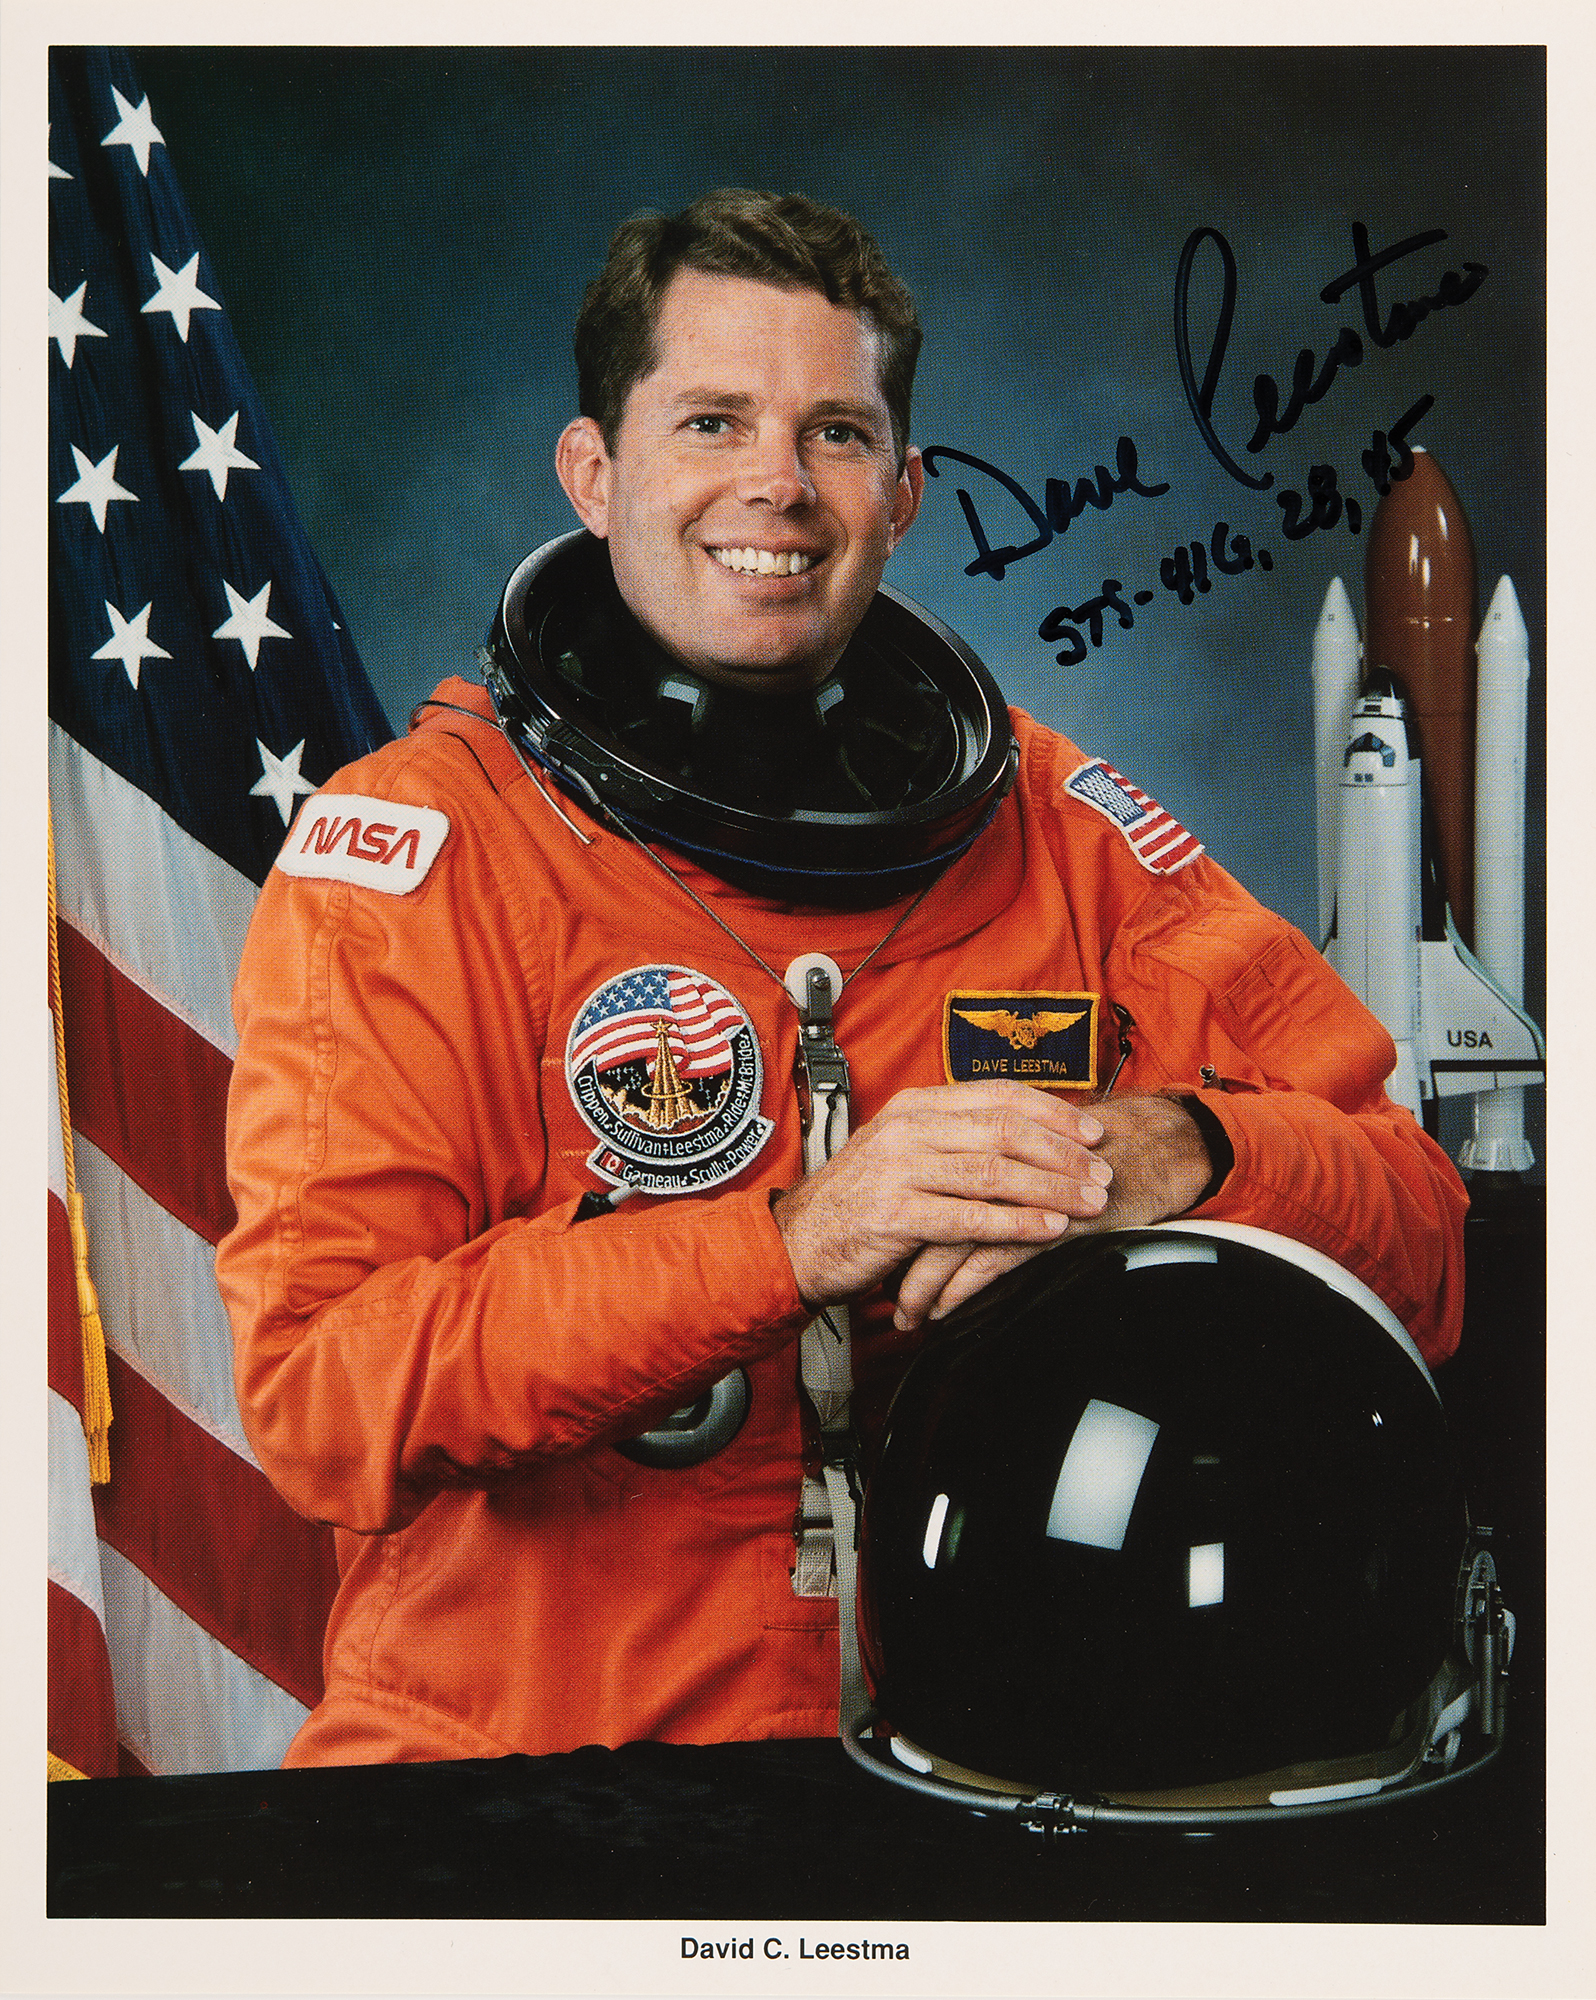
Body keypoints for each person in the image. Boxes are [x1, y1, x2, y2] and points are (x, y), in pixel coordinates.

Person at [217, 190, 1467, 1768]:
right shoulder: (421, 854)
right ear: (594, 474)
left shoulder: (1065, 836)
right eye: (713, 422)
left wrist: (1189, 1151)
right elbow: (324, 1396)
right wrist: (792, 1241)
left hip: (961, 1776)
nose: (779, 487)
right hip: (522, 1783)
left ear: (907, 491)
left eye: (837, 434)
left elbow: (1423, 1242)